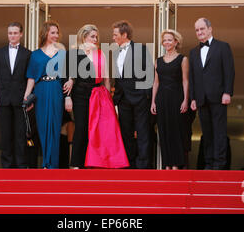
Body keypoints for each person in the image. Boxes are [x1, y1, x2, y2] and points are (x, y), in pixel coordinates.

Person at [65, 24, 129, 169]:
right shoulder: (73, 53)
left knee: (95, 129)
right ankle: (76, 163)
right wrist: (67, 96)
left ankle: (92, 163)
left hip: (97, 94)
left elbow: (106, 80)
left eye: (96, 37)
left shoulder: (101, 54)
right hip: (79, 94)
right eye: (92, 36)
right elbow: (68, 77)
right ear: (84, 36)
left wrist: (109, 102)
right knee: (81, 127)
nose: (95, 39)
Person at [189, 17, 235, 170]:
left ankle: (219, 164)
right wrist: (193, 97)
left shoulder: (223, 47)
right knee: (206, 133)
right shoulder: (193, 52)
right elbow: (193, 77)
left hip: (219, 96)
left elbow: (229, 71)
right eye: (197, 30)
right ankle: (208, 163)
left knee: (219, 132)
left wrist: (227, 92)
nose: (200, 32)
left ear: (210, 29)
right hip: (201, 98)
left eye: (202, 29)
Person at [25, 21, 67, 169]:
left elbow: (67, 77)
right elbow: (31, 77)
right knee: (42, 127)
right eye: (52, 32)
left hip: (56, 89)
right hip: (41, 90)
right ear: (45, 33)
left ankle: (52, 165)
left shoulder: (62, 53)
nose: (56, 35)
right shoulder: (35, 55)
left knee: (55, 127)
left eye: (57, 33)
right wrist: (26, 97)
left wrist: (69, 92)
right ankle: (45, 162)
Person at [112, 20, 153, 169]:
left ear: (124, 34)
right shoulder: (116, 52)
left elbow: (149, 72)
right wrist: (115, 99)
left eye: (115, 34)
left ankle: (143, 165)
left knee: (142, 131)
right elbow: (119, 78)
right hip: (123, 99)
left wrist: (146, 95)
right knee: (126, 132)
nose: (113, 37)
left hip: (140, 97)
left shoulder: (141, 49)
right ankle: (129, 163)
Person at [0, 22, 33, 168]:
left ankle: (21, 165)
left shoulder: (27, 54)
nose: (12, 35)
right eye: (10, 33)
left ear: (21, 34)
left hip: (21, 98)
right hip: (4, 99)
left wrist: (28, 98)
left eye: (15, 33)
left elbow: (29, 77)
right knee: (5, 134)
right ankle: (7, 166)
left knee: (20, 134)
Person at [151, 29, 189, 169]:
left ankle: (176, 164)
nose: (166, 42)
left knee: (176, 131)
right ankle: (167, 164)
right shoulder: (158, 61)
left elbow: (185, 81)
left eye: (169, 40)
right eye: (164, 40)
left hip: (176, 97)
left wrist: (185, 100)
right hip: (161, 98)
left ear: (176, 42)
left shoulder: (183, 59)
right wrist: (153, 101)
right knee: (163, 130)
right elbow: (156, 82)